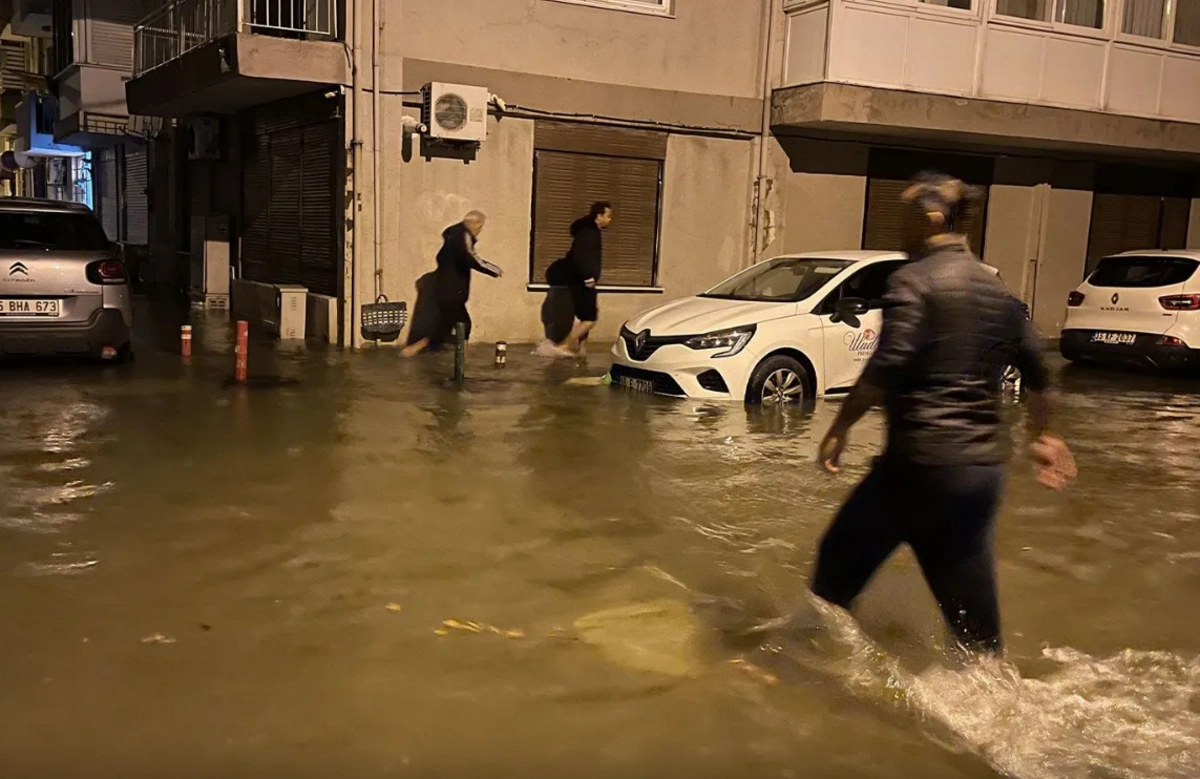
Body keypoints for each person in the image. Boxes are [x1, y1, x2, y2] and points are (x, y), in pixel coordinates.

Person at [810, 171, 1077, 655]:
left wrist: (840, 427)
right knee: (973, 626)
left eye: (903, 216)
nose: (898, 229)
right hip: (980, 475)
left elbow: (890, 359)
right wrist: (1044, 434)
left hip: (918, 467)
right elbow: (1039, 373)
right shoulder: (996, 289)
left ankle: (802, 673)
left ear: (930, 217)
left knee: (834, 573)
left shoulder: (913, 280)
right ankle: (994, 704)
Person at [402, 210, 503, 358]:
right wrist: (493, 269)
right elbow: (471, 258)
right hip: (452, 292)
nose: (480, 231)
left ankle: (418, 348)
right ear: (474, 225)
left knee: (444, 325)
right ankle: (461, 356)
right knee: (463, 323)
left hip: (446, 291)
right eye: (480, 227)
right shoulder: (462, 236)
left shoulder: (451, 239)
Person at [554, 202, 613, 356]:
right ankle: (564, 345)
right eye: (608, 216)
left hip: (581, 279)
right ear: (599, 216)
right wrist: (587, 277)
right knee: (590, 319)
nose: (610, 219)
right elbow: (580, 256)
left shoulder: (589, 231)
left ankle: (582, 350)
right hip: (583, 280)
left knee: (585, 316)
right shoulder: (589, 233)